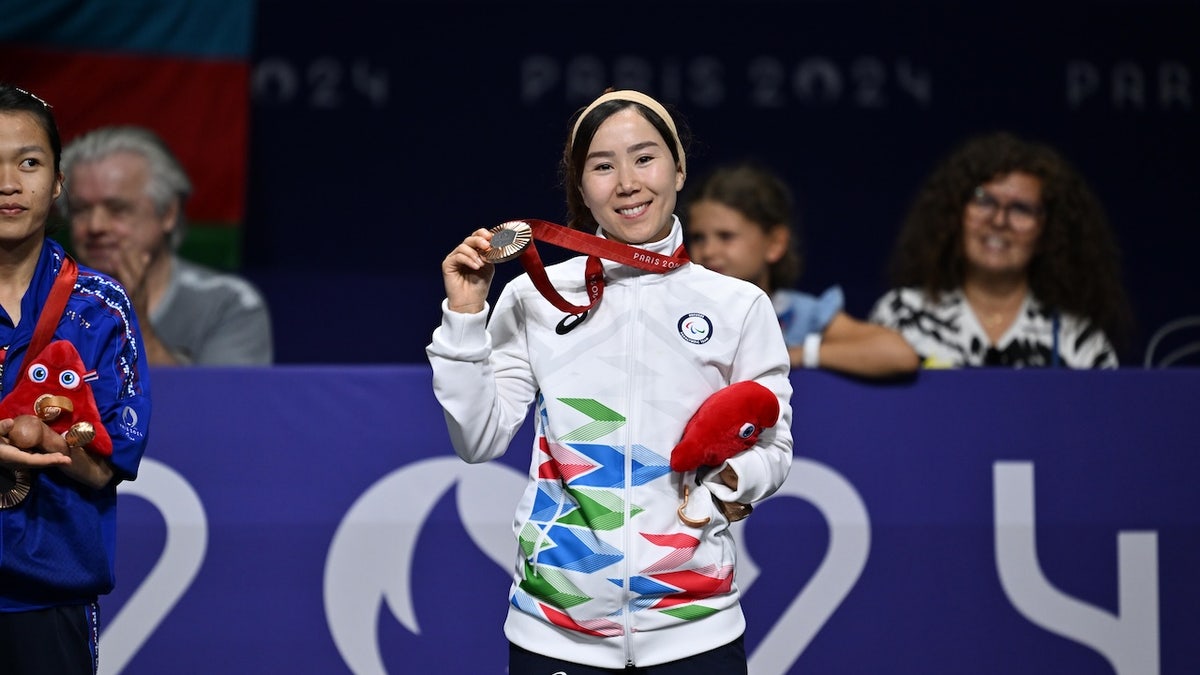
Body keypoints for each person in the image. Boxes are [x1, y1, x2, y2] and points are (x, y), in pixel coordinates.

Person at [427, 90, 793, 673]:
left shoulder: (737, 305)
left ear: (679, 167)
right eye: (602, 165)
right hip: (554, 632)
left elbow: (773, 444)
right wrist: (466, 317)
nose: (626, 182)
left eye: (644, 158)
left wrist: (721, 488)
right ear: (580, 186)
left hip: (695, 630)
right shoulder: (533, 297)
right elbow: (478, 440)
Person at [0, 84, 152, 674]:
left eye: (29, 162)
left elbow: (105, 467)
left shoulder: (100, 308)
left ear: (58, 181)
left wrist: (53, 439)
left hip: (49, 600)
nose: (9, 183)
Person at [868, 131, 1134, 368]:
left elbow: (1104, 423)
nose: (998, 221)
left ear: (1048, 233)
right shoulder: (901, 316)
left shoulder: (1076, 339)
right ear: (955, 214)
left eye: (1021, 209)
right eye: (984, 201)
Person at [59, 125, 273, 366]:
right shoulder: (35, 299)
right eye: (80, 210)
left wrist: (133, 324)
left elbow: (221, 403)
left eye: (118, 209)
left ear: (168, 213)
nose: (95, 226)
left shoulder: (227, 305)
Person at [683, 161, 919, 378]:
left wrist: (801, 354)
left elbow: (899, 355)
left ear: (775, 243)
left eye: (726, 236)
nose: (708, 251)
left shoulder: (801, 316)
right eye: (698, 238)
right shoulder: (680, 310)